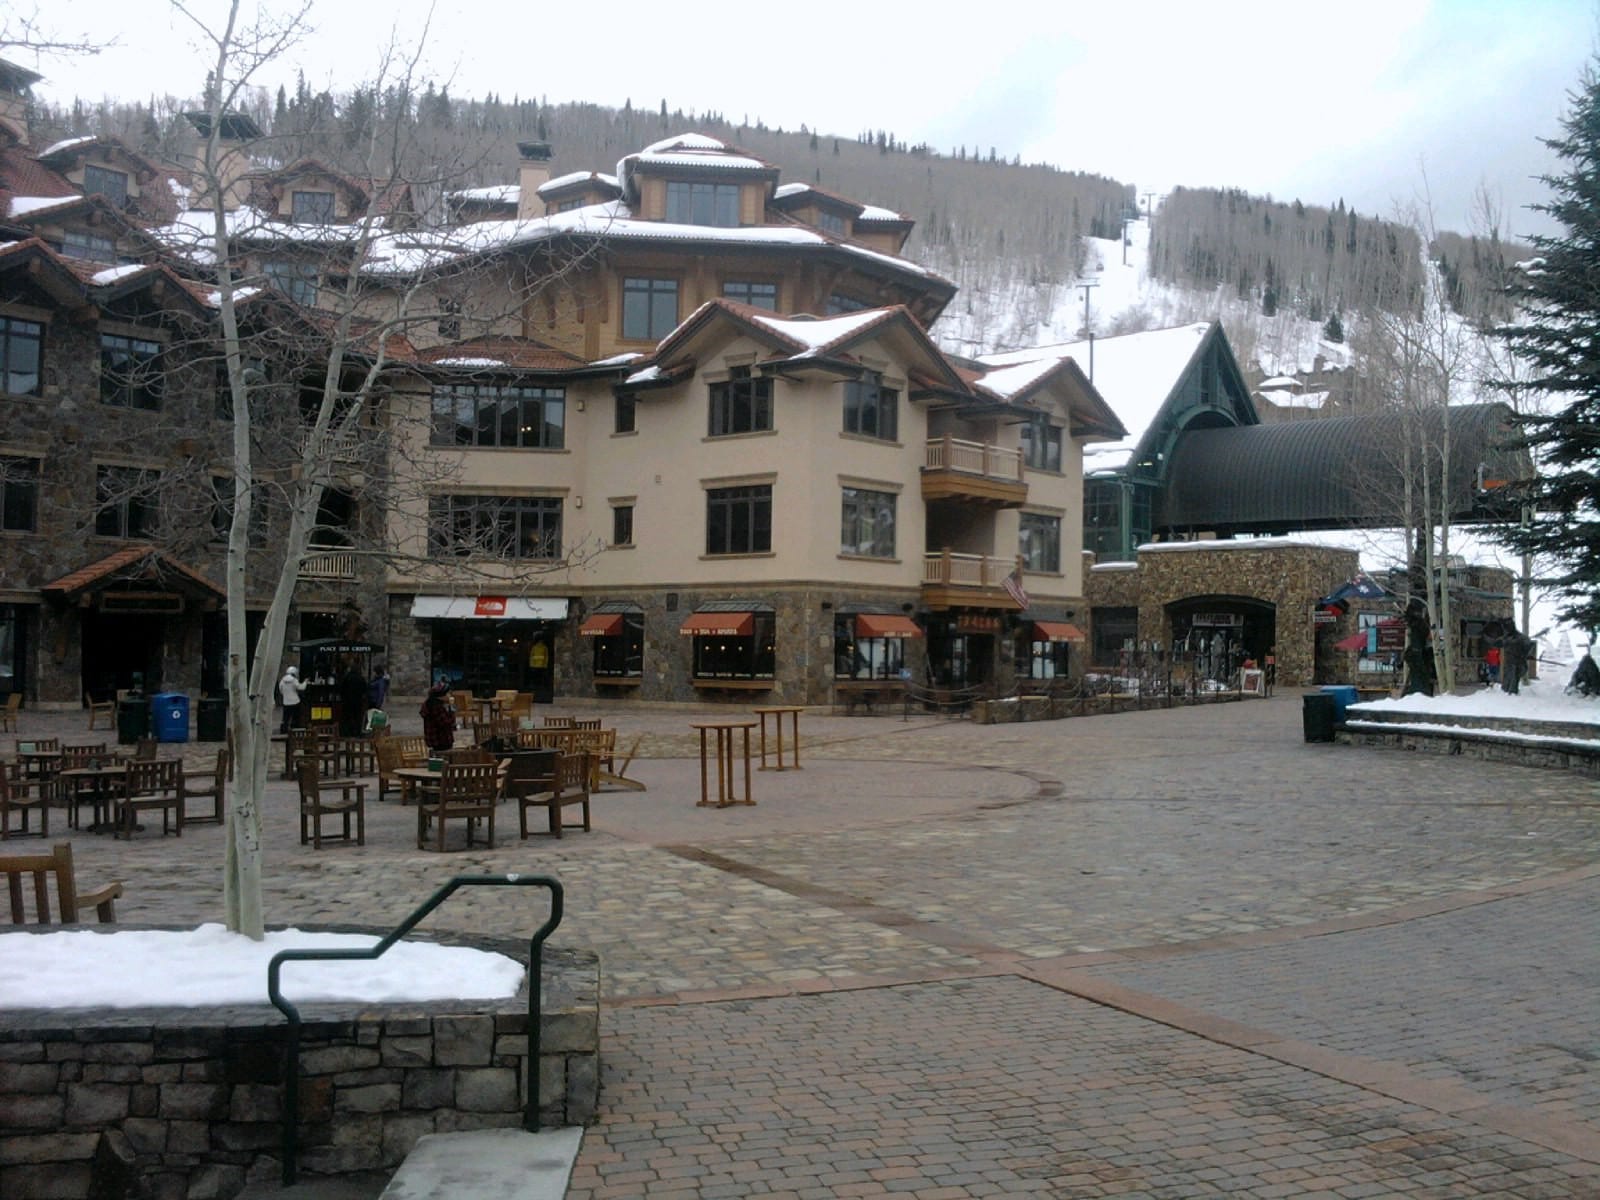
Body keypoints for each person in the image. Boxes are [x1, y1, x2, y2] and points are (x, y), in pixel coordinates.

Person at [420, 681, 456, 754]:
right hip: (441, 740)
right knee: (444, 761)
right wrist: (452, 711)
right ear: (441, 696)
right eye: (448, 693)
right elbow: (446, 722)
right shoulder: (436, 707)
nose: (449, 695)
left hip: (435, 740)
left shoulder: (430, 703)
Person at [278, 665, 307, 734]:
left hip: (286, 702)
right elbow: (301, 687)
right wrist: (305, 682)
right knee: (295, 717)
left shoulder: (282, 681)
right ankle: (295, 730)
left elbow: (281, 690)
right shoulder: (294, 680)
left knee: (286, 718)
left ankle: (284, 731)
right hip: (295, 702)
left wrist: (286, 695)